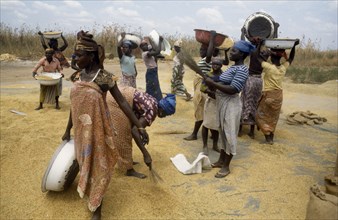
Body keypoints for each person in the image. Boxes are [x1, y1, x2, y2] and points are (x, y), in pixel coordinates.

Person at [61, 30, 150, 220]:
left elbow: (123, 102)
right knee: (84, 161)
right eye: (74, 54)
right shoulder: (77, 76)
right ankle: (86, 189)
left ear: (91, 56)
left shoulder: (102, 77)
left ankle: (97, 207)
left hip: (98, 130)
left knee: (98, 167)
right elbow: (74, 105)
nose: (75, 58)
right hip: (80, 130)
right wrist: (67, 128)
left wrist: (139, 126)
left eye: (79, 55)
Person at [204, 40, 255, 178]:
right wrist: (210, 80)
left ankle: (226, 166)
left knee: (229, 134)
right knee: (222, 132)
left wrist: (213, 83)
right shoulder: (232, 68)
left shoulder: (243, 70)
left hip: (231, 105)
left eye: (234, 51)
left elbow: (234, 89)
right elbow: (221, 78)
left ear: (242, 54)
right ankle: (221, 161)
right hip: (222, 103)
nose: (231, 53)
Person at [106, 87, 175, 178]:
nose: (165, 117)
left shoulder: (154, 101)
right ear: (162, 111)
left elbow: (136, 125)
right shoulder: (152, 111)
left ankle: (127, 160)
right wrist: (145, 153)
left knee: (127, 128)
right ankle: (129, 170)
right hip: (115, 102)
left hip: (119, 95)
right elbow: (135, 131)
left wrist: (141, 131)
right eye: (166, 114)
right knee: (123, 134)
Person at [256, 40, 299, 144]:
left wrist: (259, 44)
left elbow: (258, 57)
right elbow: (291, 58)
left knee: (259, 116)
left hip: (268, 95)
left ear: (271, 57)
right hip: (278, 96)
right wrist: (293, 47)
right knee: (273, 117)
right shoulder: (283, 68)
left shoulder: (269, 67)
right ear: (280, 57)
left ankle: (267, 135)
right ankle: (271, 137)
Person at [183, 32, 215, 141]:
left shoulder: (208, 59)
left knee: (200, 111)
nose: (200, 51)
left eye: (203, 49)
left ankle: (194, 134)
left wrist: (212, 38)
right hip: (200, 87)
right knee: (204, 111)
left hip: (201, 89)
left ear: (208, 51)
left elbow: (209, 54)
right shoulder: (206, 60)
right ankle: (212, 132)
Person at [238, 37, 264, 139]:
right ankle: (251, 132)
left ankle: (240, 130)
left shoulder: (254, 54)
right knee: (254, 104)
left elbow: (251, 51)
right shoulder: (264, 55)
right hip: (259, 81)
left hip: (250, 80)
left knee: (244, 102)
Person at [200, 58, 224, 155]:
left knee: (216, 125)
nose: (215, 66)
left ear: (221, 66)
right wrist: (210, 91)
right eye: (213, 64)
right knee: (206, 124)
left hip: (219, 102)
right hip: (211, 102)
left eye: (217, 65)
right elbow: (202, 87)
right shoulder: (208, 75)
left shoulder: (224, 76)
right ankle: (205, 146)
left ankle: (215, 145)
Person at [140, 36, 164, 101]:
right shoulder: (145, 54)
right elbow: (157, 51)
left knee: (155, 87)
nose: (145, 46)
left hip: (153, 71)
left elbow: (156, 53)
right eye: (143, 45)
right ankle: (150, 102)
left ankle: (156, 102)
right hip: (151, 72)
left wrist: (150, 42)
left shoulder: (149, 53)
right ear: (141, 48)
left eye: (146, 44)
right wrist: (160, 41)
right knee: (151, 88)